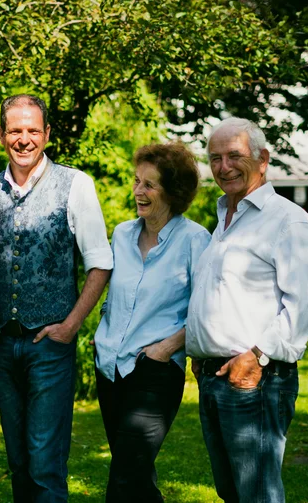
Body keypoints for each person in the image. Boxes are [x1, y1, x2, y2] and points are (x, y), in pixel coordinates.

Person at [0, 94, 113, 502]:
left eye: (33, 130)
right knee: (18, 460)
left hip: (50, 344)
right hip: (2, 343)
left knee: (45, 462)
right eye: (15, 130)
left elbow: (100, 263)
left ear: (47, 134)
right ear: (1, 135)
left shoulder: (75, 184)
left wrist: (71, 326)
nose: (24, 139)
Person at [186, 118, 308, 503]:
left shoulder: (288, 220)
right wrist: (201, 350)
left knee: (257, 493)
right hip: (216, 375)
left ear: (262, 159)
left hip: (256, 377)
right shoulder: (225, 218)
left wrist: (257, 356)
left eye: (235, 156)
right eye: (215, 158)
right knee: (232, 491)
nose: (224, 166)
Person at [93, 142, 210, 502]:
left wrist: (166, 348)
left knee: (125, 475)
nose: (138, 191)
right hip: (110, 366)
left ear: (172, 191)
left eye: (149, 185)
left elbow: (207, 309)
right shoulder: (122, 234)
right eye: (136, 181)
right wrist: (104, 330)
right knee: (137, 476)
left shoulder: (195, 240)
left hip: (155, 370)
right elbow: (115, 295)